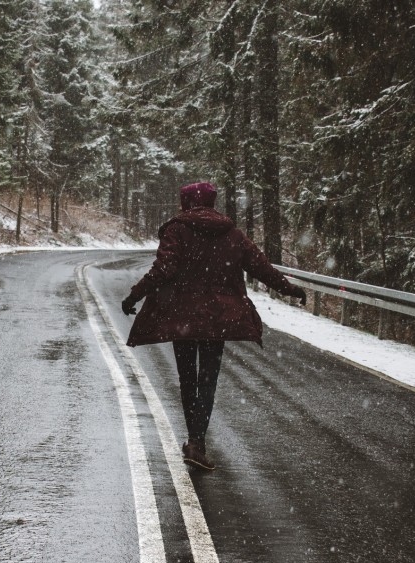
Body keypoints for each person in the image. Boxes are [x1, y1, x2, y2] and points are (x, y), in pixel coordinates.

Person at [121, 182, 306, 470]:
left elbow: (163, 269)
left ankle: (194, 440)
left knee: (188, 378)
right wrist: (289, 289)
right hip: (217, 318)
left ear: (186, 202)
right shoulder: (231, 234)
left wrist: (135, 295)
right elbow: (261, 267)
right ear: (212, 201)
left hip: (183, 317)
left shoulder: (177, 230)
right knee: (207, 381)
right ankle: (198, 442)